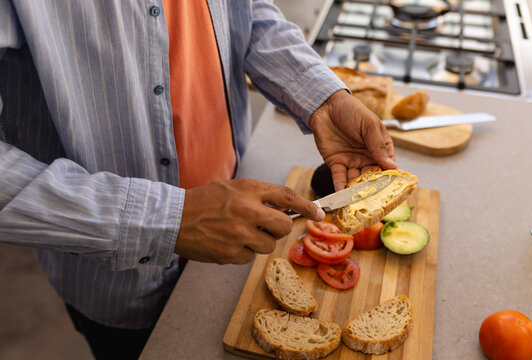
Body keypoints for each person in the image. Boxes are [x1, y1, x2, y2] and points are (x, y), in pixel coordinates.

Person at [0, 0, 396, 359]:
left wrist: (323, 99)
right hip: (116, 280)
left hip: (238, 227)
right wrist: (169, 219)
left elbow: (249, 11)